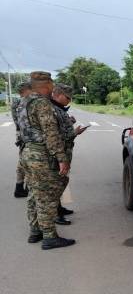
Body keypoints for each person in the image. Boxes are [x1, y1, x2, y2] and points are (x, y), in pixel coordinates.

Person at [18, 71, 75, 250]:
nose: (52, 87)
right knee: (48, 195)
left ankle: (35, 230)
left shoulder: (23, 102)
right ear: (45, 85)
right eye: (51, 84)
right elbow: (51, 133)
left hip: (27, 153)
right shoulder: (42, 103)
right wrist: (61, 158)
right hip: (41, 155)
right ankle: (49, 236)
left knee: (35, 193)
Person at [50, 83, 87, 225]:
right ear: (58, 94)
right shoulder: (52, 109)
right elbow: (57, 135)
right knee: (58, 184)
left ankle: (58, 209)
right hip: (59, 152)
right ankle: (55, 214)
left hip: (64, 150)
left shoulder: (58, 109)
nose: (69, 101)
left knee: (61, 182)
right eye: (67, 97)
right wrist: (75, 132)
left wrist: (70, 122)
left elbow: (61, 129)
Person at [12, 81, 32, 198]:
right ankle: (27, 187)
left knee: (21, 161)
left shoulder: (16, 102)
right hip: (28, 136)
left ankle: (19, 187)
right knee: (28, 162)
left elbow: (16, 122)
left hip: (20, 135)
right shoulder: (27, 102)